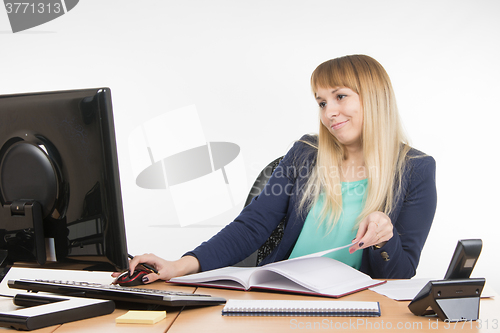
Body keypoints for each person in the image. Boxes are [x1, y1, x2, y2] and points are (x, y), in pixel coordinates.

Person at [117, 54, 437, 283]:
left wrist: (385, 237)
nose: (329, 113)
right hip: (283, 292)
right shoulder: (305, 153)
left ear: (374, 99)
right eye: (322, 102)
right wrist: (179, 265)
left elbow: (401, 272)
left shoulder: (416, 169)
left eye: (340, 96)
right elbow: (252, 226)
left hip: (356, 303)